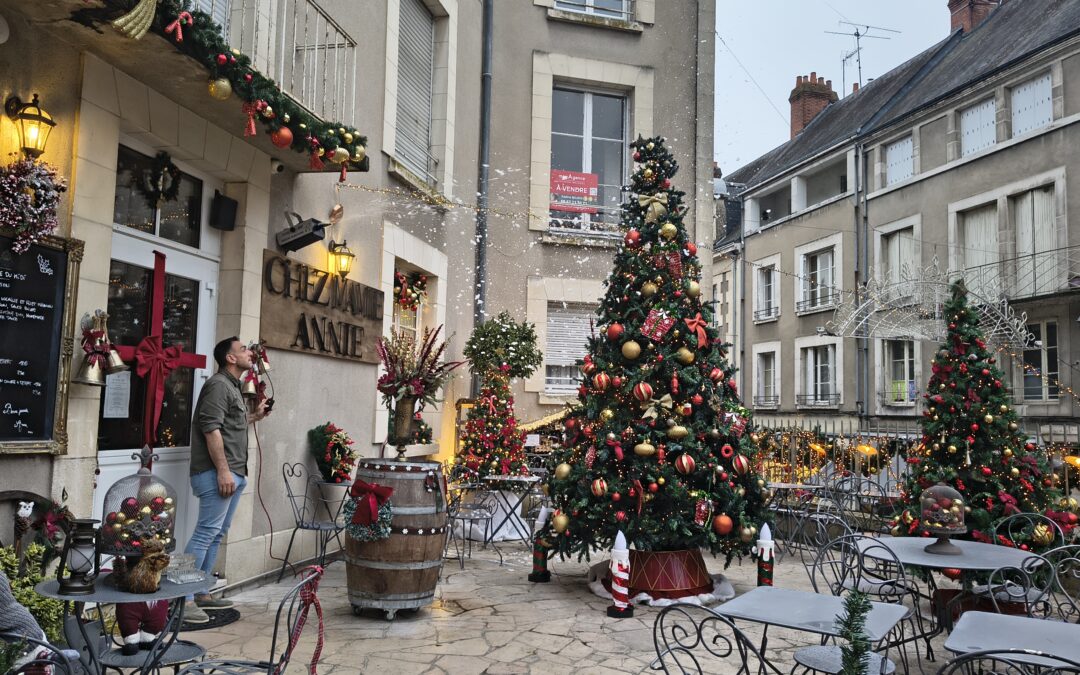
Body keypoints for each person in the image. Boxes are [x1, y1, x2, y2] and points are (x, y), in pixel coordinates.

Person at [183, 337, 268, 623]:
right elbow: (211, 429)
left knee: (217, 534)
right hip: (218, 473)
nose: (249, 352)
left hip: (233, 471)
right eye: (243, 349)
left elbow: (229, 426)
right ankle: (182, 598)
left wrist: (254, 416)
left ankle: (202, 590)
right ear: (230, 358)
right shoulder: (219, 385)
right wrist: (222, 471)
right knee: (205, 533)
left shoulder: (232, 387)